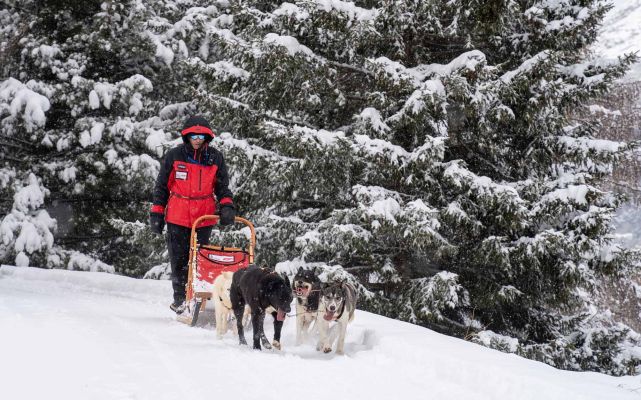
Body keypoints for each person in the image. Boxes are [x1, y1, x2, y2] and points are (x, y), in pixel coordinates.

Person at [149, 116, 236, 314]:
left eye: (201, 136)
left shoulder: (215, 158)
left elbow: (222, 187)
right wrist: (156, 213)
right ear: (187, 136)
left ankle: (197, 295)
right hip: (177, 215)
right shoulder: (174, 156)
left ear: (207, 137)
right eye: (193, 136)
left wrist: (226, 206)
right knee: (178, 258)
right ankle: (180, 298)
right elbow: (162, 186)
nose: (197, 140)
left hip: (203, 216)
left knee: (199, 258)